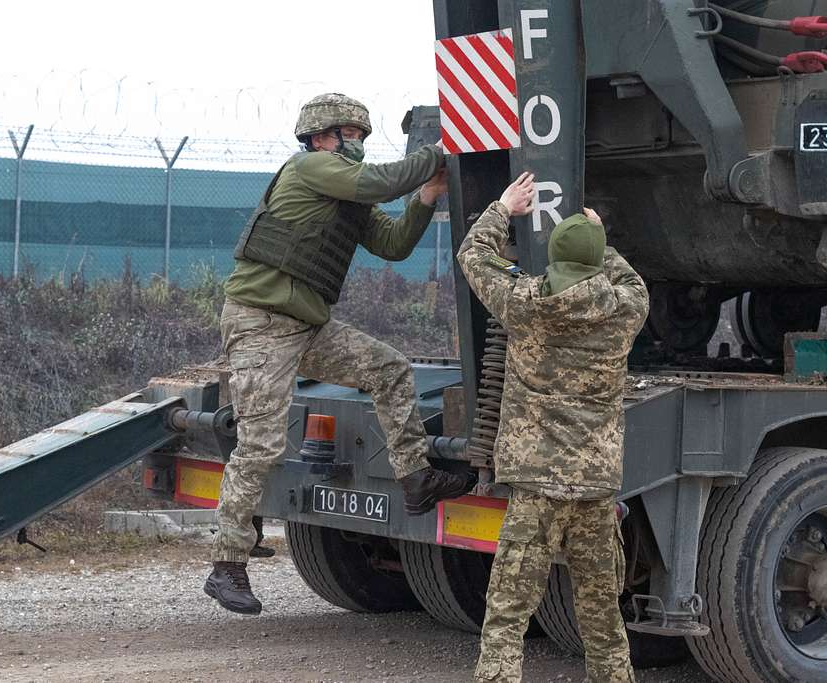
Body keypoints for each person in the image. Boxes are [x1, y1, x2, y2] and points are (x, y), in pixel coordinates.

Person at [204, 93, 477, 615]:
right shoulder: (310, 169)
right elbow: (377, 182)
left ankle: (416, 479)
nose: (355, 143)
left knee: (390, 369)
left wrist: (426, 197)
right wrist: (441, 152)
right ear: (319, 138)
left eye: (360, 136)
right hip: (261, 321)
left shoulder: (348, 194)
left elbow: (394, 244)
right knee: (261, 445)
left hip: (306, 323)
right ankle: (226, 566)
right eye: (347, 135)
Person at [457, 172, 649, 683]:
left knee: (506, 616)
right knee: (603, 621)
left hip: (536, 487)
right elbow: (632, 282)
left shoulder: (524, 304)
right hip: (594, 489)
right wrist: (601, 240)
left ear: (555, 260)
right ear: (594, 261)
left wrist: (502, 208)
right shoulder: (625, 310)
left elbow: (473, 257)